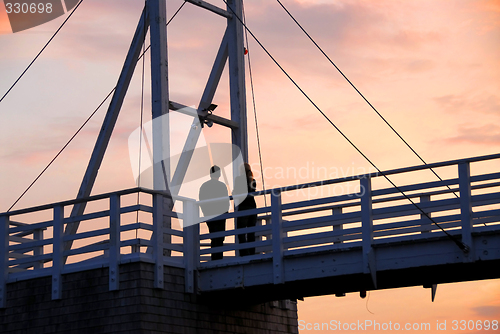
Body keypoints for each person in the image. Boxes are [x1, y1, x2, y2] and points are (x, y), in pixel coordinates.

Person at [199, 166, 230, 260]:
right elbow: (226, 201)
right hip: (220, 214)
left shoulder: (204, 186)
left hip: (209, 214)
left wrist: (205, 213)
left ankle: (214, 257)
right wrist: (225, 212)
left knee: (213, 236)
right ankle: (219, 257)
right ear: (219, 174)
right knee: (220, 237)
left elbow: (201, 200)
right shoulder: (222, 186)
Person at [234, 163, 257, 256]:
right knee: (251, 233)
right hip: (252, 207)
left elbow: (237, 192)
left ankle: (244, 253)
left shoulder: (238, 180)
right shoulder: (253, 180)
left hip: (244, 207)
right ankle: (251, 252)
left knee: (241, 232)